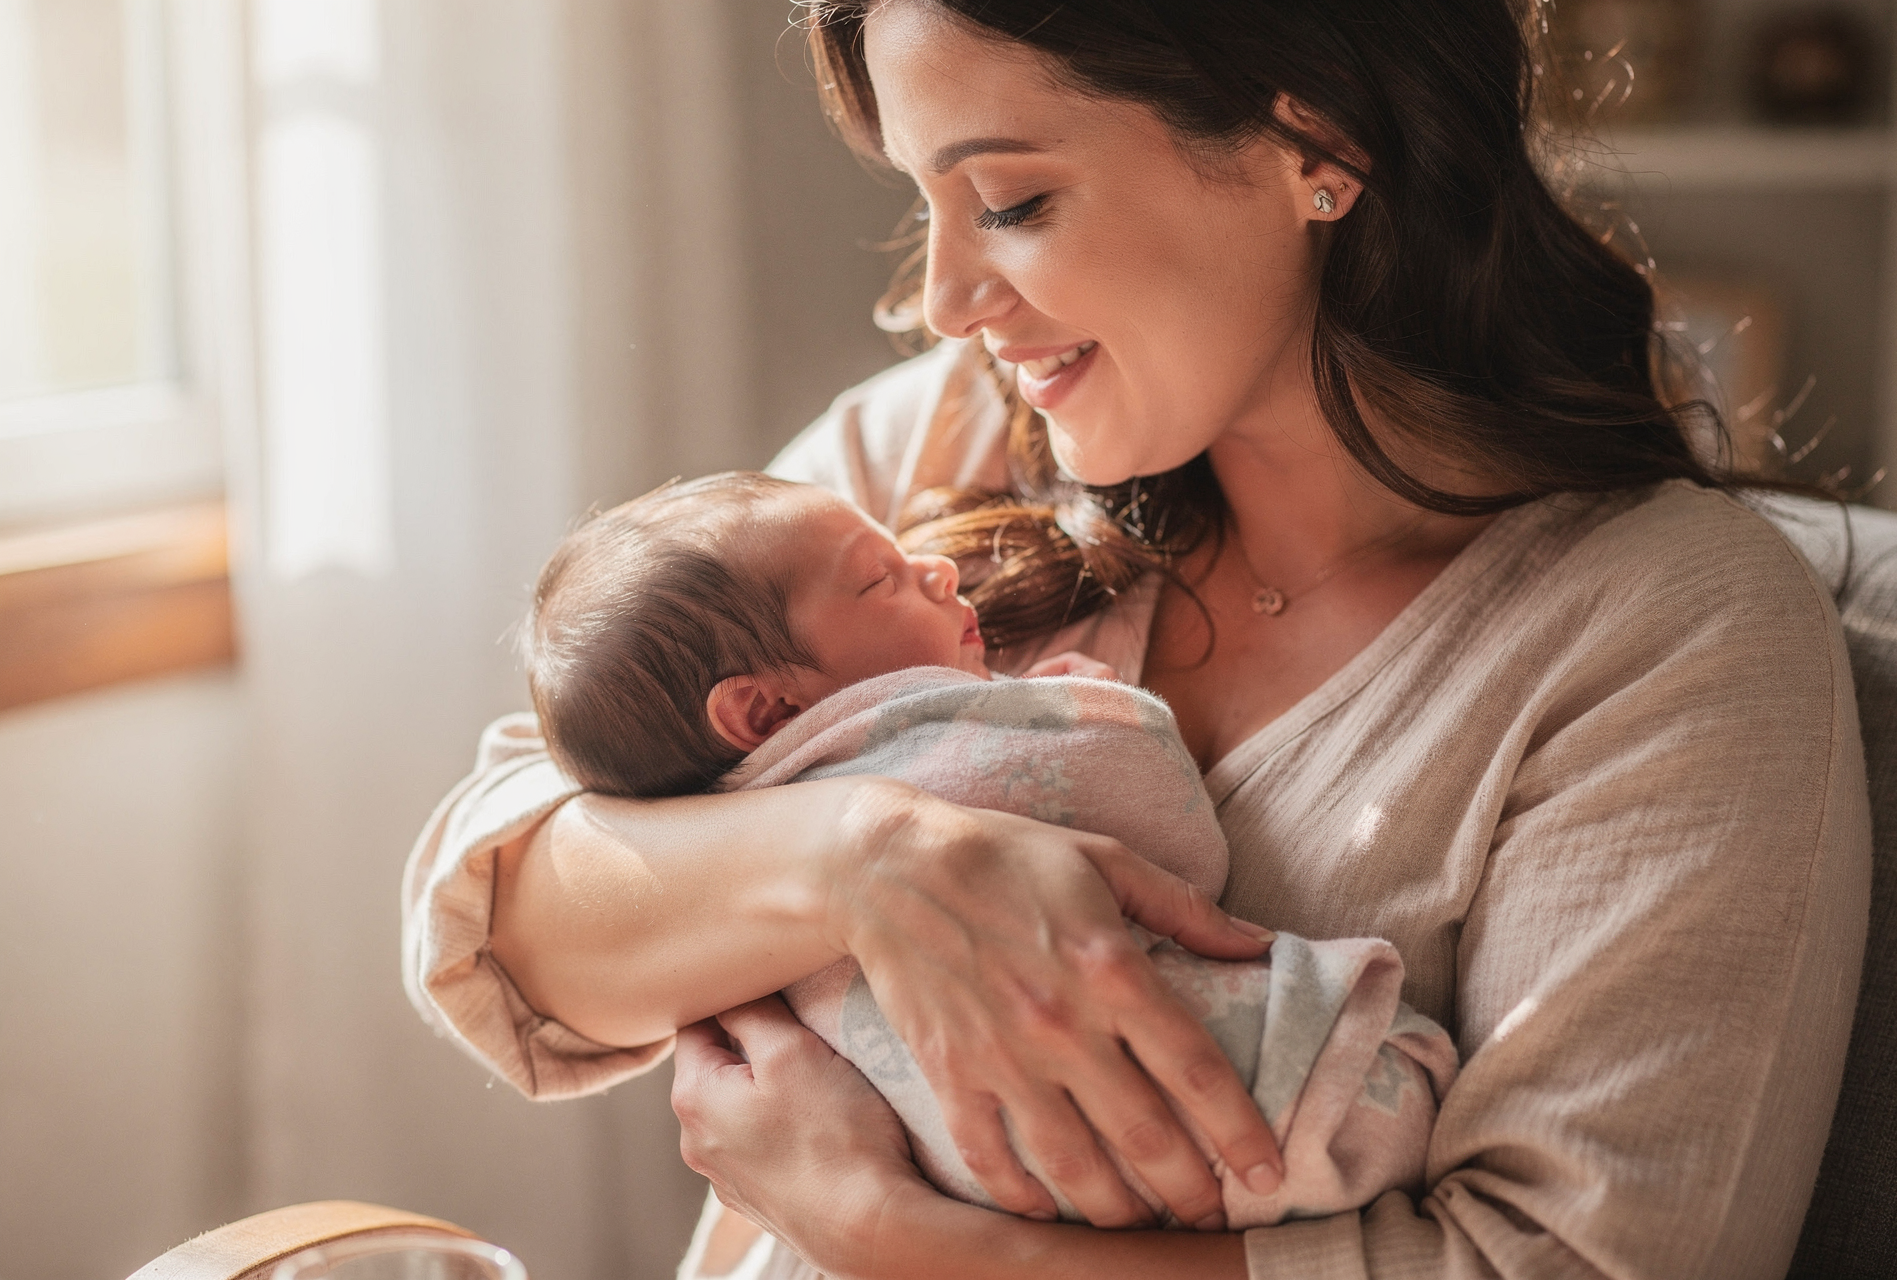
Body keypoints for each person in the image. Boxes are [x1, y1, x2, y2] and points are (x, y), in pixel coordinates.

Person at [401, 0, 1871, 1276]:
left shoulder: (1658, 633)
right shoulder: (947, 448)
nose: (943, 300)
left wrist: (909, 1247)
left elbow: (1569, 1262)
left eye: (1014, 202)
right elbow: (511, 898)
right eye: (927, 203)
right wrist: (872, 863)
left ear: (1319, 145)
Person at [516, 468, 1461, 1243]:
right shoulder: (923, 735)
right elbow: (1175, 843)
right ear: (767, 711)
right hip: (1226, 1131)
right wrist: (1082, 702)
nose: (935, 568)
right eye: (877, 579)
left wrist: (888, 1235)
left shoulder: (713, 824)